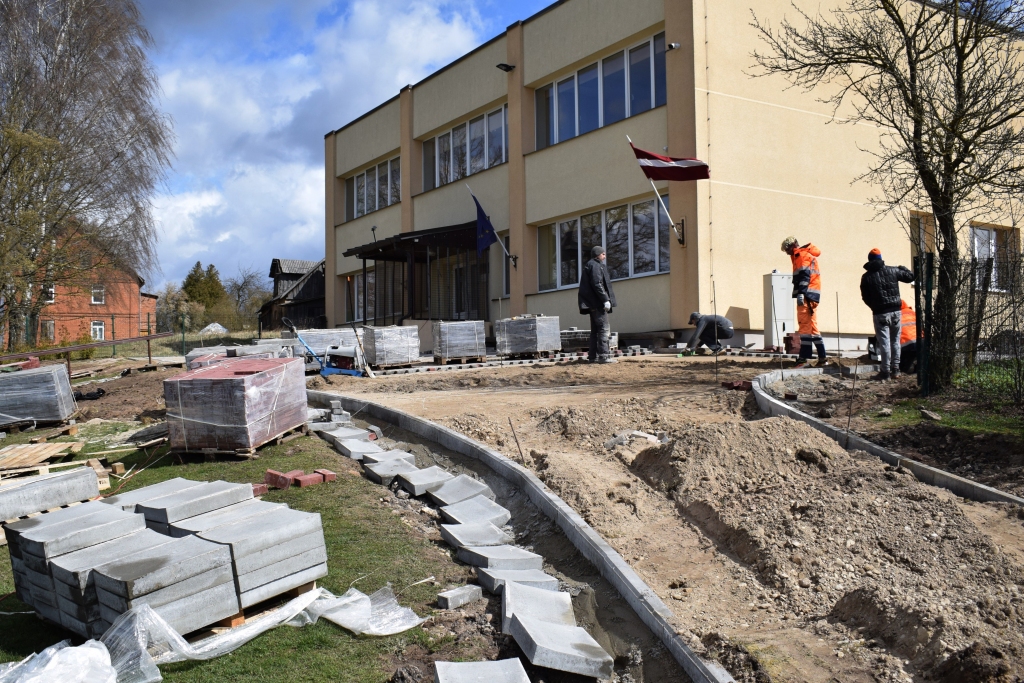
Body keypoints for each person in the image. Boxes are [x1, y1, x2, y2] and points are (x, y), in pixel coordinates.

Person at [859, 248, 915, 380]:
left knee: (884, 342)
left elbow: (865, 297)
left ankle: (885, 372)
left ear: (869, 260)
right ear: (881, 258)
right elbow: (911, 277)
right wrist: (903, 267)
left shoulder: (866, 277)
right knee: (895, 340)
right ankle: (896, 369)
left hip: (880, 313)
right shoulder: (893, 270)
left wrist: (874, 307)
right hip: (896, 311)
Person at [781, 236, 827, 367]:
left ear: (793, 245)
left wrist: (801, 293)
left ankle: (804, 359)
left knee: (804, 327)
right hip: (812, 295)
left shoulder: (801, 255)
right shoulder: (804, 254)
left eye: (787, 249)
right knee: (813, 328)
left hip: (806, 295)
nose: (787, 252)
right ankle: (822, 358)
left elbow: (805, 276)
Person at [578, 245, 617, 364]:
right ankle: (604, 356)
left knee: (595, 331)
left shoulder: (590, 265)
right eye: (603, 254)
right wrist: (605, 299)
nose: (605, 256)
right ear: (598, 255)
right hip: (597, 304)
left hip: (592, 304)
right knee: (603, 329)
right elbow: (597, 283)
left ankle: (592, 357)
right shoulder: (595, 265)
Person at [899, 298, 918, 375]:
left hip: (905, 344)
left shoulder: (896, 315)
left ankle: (905, 370)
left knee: (903, 367)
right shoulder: (912, 312)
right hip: (920, 341)